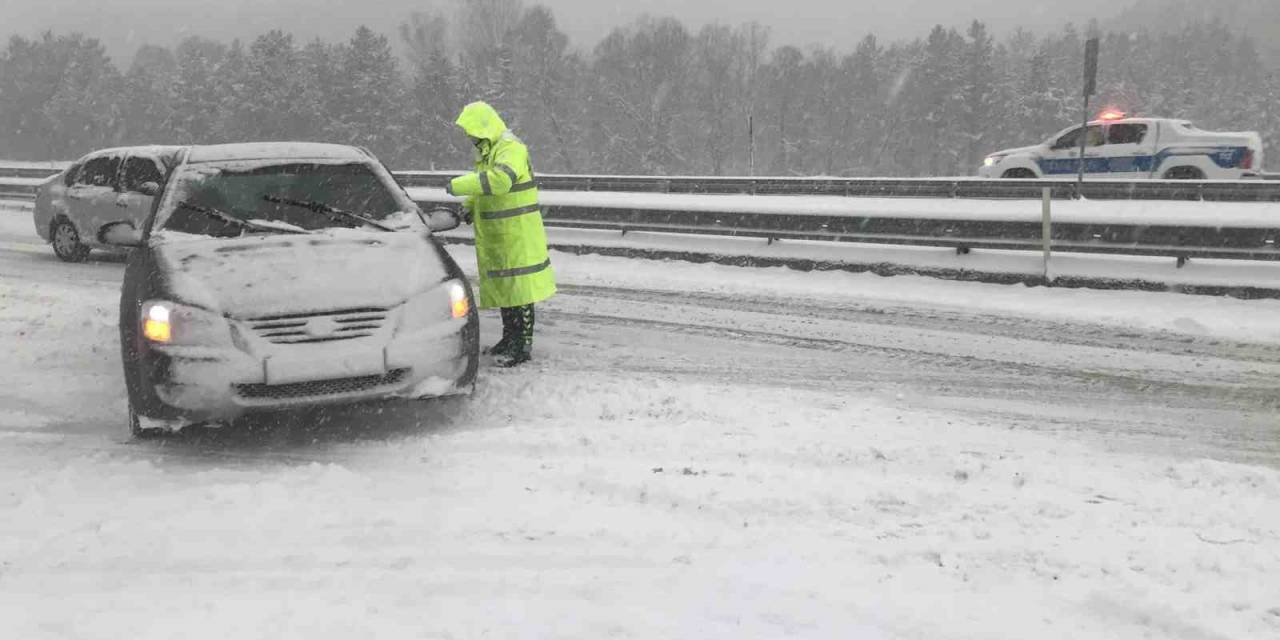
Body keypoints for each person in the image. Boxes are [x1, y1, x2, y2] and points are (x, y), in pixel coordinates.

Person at [445, 101, 556, 367]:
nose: (469, 137)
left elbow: (499, 181)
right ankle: (509, 339)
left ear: (483, 127)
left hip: (518, 233)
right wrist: (467, 208)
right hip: (502, 234)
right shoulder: (488, 152)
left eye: (471, 131)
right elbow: (482, 188)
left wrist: (457, 185)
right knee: (508, 290)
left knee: (520, 292)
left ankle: (521, 347)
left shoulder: (511, 149)